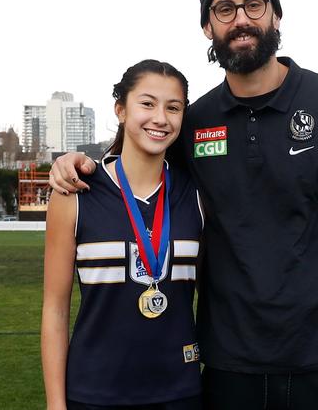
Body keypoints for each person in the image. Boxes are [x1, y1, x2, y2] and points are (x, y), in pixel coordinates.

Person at [49, 0, 318, 410]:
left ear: (276, 15)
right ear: (207, 28)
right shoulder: (194, 121)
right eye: (224, 9)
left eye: (254, 5)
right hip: (228, 365)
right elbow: (140, 166)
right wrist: (76, 162)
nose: (241, 20)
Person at [41, 59, 203, 410]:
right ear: (120, 110)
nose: (160, 117)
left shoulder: (197, 195)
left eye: (173, 107)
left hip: (180, 393)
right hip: (93, 394)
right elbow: (54, 309)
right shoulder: (75, 192)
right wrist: (56, 405)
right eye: (147, 103)